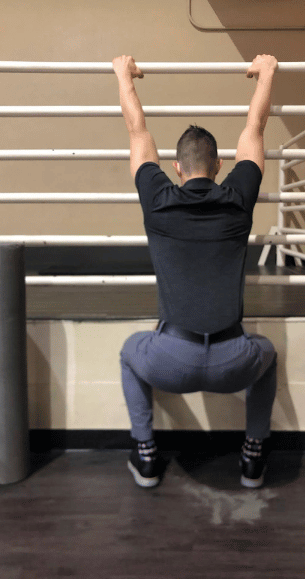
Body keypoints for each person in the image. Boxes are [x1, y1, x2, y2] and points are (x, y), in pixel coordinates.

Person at [112, 54, 279, 489]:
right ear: (220, 166)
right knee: (269, 355)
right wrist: (267, 73)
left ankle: (146, 455)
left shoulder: (157, 198)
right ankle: (253, 457)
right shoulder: (238, 198)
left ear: (177, 168)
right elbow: (254, 130)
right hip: (233, 361)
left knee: (131, 352)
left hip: (171, 359)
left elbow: (137, 131)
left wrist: (123, 75)